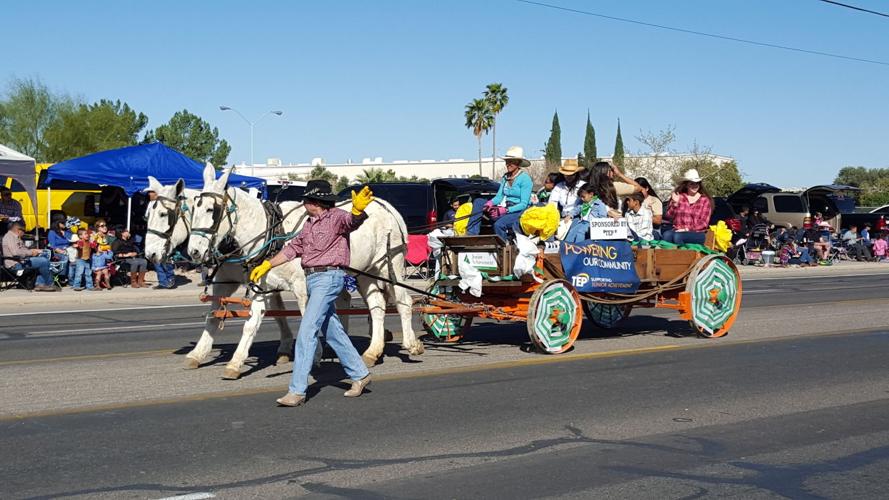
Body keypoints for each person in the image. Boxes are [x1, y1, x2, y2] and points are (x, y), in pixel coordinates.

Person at [249, 180, 374, 407]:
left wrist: (357, 211)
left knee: (307, 331)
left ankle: (296, 391)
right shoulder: (308, 224)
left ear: (314, 201)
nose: (303, 202)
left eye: (305, 199)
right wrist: (267, 264)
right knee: (332, 331)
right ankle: (360, 374)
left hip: (329, 277)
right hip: (312, 279)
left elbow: (351, 222)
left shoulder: (336, 217)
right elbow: (292, 249)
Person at [466, 146, 533, 241]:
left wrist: (505, 210)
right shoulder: (505, 177)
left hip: (520, 212)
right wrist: (490, 203)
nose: (508, 164)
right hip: (506, 208)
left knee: (499, 225)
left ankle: (505, 247)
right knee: (479, 202)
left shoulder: (525, 179)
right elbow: (499, 197)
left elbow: (523, 204)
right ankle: (471, 235)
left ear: (518, 163)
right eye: (507, 161)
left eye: (511, 161)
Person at [2, 220, 57, 291]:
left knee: (44, 255)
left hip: (22, 261)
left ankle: (40, 284)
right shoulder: (9, 237)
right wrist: (31, 253)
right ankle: (49, 283)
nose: (24, 233)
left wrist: (34, 251)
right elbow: (16, 253)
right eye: (24, 231)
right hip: (15, 264)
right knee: (43, 261)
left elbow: (23, 250)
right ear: (18, 230)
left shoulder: (16, 237)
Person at [662, 169, 713, 245]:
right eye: (692, 184)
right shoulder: (680, 197)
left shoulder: (704, 200)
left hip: (697, 233)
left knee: (678, 236)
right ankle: (668, 256)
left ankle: (682, 255)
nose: (695, 186)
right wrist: (675, 203)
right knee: (666, 235)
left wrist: (687, 229)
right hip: (678, 230)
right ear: (686, 185)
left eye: (697, 183)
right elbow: (669, 216)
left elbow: (703, 223)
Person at [145, 189, 177, 289]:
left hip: (163, 234)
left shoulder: (163, 203)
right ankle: (162, 282)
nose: (149, 194)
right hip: (153, 233)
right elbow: (147, 217)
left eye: (151, 192)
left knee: (166, 257)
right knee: (156, 259)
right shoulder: (150, 204)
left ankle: (170, 279)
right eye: (149, 192)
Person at [47, 219, 74, 285]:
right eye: (63, 223)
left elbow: (72, 240)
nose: (64, 224)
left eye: (65, 223)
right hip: (57, 252)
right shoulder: (52, 232)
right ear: (58, 223)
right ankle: (61, 277)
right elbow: (52, 246)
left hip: (69, 249)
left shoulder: (68, 231)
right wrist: (62, 251)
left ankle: (72, 278)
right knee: (65, 257)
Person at [91, 219, 115, 289]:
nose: (105, 227)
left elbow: (112, 244)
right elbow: (92, 246)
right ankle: (98, 285)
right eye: (102, 226)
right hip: (98, 258)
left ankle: (107, 284)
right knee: (99, 273)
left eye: (105, 225)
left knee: (107, 272)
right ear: (98, 228)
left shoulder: (109, 235)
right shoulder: (95, 236)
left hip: (107, 257)